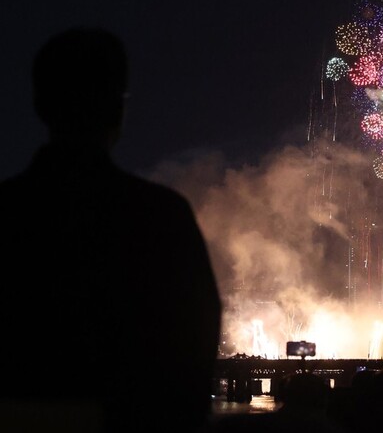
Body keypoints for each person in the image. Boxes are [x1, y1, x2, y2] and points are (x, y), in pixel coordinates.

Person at [0, 28, 223, 432]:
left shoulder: (6, 213)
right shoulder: (161, 217)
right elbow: (196, 342)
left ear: (38, 105)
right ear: (118, 110)